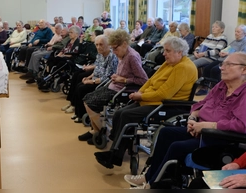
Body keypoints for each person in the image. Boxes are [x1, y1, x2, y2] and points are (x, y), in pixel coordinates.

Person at [124, 52, 246, 189]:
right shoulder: (221, 86)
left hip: (220, 139)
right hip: (201, 130)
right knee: (166, 132)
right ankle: (150, 176)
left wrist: (209, 125)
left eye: (229, 64)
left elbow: (241, 125)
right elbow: (201, 104)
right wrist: (193, 117)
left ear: (244, 69)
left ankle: (154, 184)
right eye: (222, 64)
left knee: (178, 146)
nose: (222, 68)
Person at [94, 36, 198, 169]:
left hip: (169, 104)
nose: (163, 53)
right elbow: (149, 81)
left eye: (167, 51)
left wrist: (142, 97)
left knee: (127, 115)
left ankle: (115, 155)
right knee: (120, 112)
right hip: (153, 99)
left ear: (179, 52)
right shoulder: (170, 63)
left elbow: (165, 94)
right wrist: (140, 93)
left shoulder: (183, 67)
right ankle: (117, 146)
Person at [77, 30, 148, 143]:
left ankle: (100, 132)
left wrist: (123, 79)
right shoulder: (122, 54)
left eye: (115, 48)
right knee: (86, 99)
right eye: (112, 48)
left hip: (123, 90)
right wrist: (117, 76)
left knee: (90, 103)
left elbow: (144, 80)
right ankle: (96, 131)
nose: (113, 52)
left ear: (124, 44)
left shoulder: (132, 57)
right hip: (115, 86)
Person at [64, 35, 118, 121]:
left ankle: (81, 115)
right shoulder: (100, 54)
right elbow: (97, 69)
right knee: (79, 85)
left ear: (108, 45)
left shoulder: (112, 57)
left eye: (101, 44)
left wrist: (91, 81)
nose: (98, 47)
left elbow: (108, 76)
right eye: (96, 45)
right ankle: (77, 112)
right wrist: (88, 77)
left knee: (82, 88)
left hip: (103, 82)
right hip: (95, 78)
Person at [196, 24, 246, 95]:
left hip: (231, 62)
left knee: (215, 70)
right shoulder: (234, 41)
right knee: (207, 68)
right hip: (222, 59)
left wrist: (227, 54)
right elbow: (226, 49)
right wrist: (221, 52)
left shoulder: (244, 42)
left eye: (238, 32)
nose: (236, 33)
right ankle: (204, 88)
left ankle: (216, 90)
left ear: (244, 33)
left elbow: (242, 55)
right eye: (235, 31)